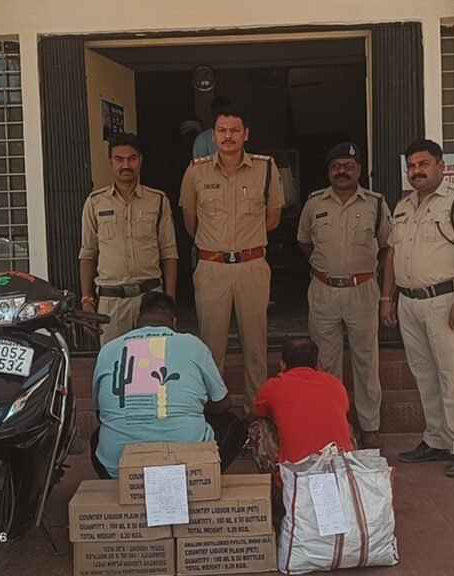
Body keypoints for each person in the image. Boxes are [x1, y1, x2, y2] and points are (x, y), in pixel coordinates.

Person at [380, 139, 454, 478]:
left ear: (441, 166)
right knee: (424, 375)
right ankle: (436, 439)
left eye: (423, 164)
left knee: (452, 375)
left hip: (444, 302)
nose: (416, 171)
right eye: (411, 166)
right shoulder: (404, 205)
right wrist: (387, 297)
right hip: (409, 302)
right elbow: (392, 254)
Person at [180, 107, 285, 410]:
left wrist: (244, 241)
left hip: (252, 266)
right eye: (222, 131)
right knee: (211, 348)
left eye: (235, 130)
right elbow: (190, 222)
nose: (228, 136)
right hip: (212, 268)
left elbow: (273, 218)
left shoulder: (265, 168)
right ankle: (216, 413)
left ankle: (256, 414)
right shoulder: (195, 171)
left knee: (256, 347)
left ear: (245, 134)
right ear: (213, 136)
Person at [91, 292, 245, 479]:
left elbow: (100, 412)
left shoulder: (109, 349)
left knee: (99, 437)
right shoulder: (193, 345)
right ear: (174, 322)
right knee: (233, 424)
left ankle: (122, 487)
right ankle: (204, 480)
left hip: (120, 468)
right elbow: (223, 404)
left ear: (138, 320)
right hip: (191, 465)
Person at [297, 143, 390, 449]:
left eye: (348, 166)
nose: (342, 171)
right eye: (336, 166)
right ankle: (334, 425)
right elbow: (305, 242)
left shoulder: (376, 203)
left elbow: (387, 247)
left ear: (359, 170)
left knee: (366, 361)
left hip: (362, 290)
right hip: (323, 290)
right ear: (329, 171)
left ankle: (369, 426)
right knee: (326, 364)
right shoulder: (314, 203)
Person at [79, 132, 178, 345]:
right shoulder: (95, 203)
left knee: (153, 360)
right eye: (119, 159)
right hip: (111, 302)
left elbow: (169, 253)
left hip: (151, 300)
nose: (126, 165)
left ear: (140, 160)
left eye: (132, 158)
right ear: (110, 162)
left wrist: (169, 301)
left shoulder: (158, 201)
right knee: (115, 361)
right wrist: (87, 300)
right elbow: (87, 254)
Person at [249, 337, 354, 475]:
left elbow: (257, 413)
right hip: (339, 470)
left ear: (282, 365)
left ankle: (273, 479)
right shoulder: (335, 383)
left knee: (257, 426)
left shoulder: (274, 386)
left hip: (295, 474)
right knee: (346, 425)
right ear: (317, 364)